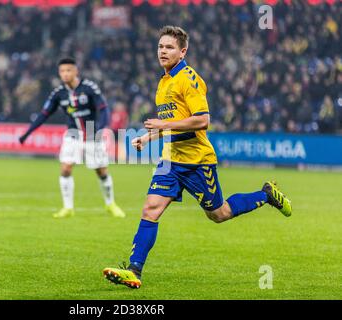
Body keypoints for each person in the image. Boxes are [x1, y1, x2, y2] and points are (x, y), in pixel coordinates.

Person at [102, 26, 292, 289]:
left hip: (196, 162)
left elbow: (203, 120)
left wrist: (160, 126)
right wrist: (148, 137)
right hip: (170, 161)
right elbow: (171, 123)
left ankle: (266, 195)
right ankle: (134, 270)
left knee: (219, 213)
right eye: (160, 47)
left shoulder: (189, 79)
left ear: (183, 51)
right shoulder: (164, 81)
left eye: (169, 47)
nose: (163, 51)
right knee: (150, 209)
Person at [19, 57, 125, 218]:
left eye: (68, 70)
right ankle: (68, 208)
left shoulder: (89, 88)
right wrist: (27, 133)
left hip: (91, 134)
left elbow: (103, 108)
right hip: (72, 135)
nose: (65, 73)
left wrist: (102, 128)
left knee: (101, 171)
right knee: (65, 168)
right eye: (62, 71)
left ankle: (110, 204)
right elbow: (44, 114)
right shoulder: (58, 93)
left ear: (76, 71)